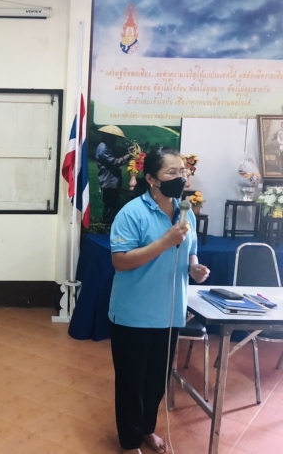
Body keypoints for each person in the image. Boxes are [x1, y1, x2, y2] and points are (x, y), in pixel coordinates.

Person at [108, 148, 210, 454]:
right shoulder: (131, 213)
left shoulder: (185, 211)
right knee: (131, 383)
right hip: (134, 314)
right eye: (172, 172)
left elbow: (190, 249)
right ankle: (129, 443)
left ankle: (147, 429)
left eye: (183, 171)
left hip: (170, 313)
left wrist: (194, 267)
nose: (181, 177)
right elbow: (120, 261)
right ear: (152, 179)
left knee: (156, 381)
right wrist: (165, 241)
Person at [95, 125, 132, 224]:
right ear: (107, 136)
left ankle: (109, 223)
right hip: (109, 181)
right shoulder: (103, 148)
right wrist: (128, 156)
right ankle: (106, 224)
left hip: (112, 181)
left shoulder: (107, 146)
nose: (115, 140)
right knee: (110, 205)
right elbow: (114, 162)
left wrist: (127, 151)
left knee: (114, 204)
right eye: (113, 137)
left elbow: (117, 153)